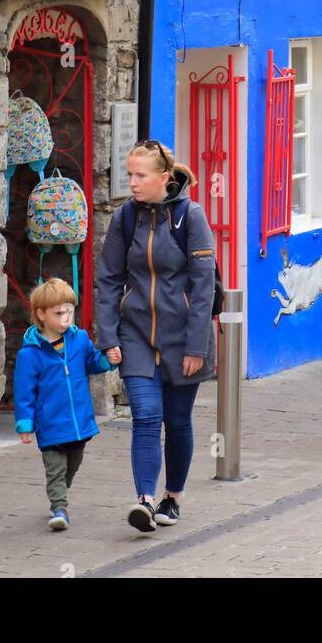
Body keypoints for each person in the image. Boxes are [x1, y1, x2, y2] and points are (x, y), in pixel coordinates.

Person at [97, 140, 216, 533]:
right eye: (129, 174)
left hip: (183, 337)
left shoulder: (191, 218)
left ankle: (173, 497)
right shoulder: (124, 219)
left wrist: (196, 346)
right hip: (135, 335)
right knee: (146, 416)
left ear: (164, 178)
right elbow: (109, 279)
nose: (131, 182)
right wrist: (109, 335)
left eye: (140, 175)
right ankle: (145, 500)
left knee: (178, 420)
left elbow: (203, 289)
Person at [14, 277, 115, 531]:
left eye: (70, 311)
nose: (66, 317)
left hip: (78, 421)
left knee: (73, 463)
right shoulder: (30, 354)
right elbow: (24, 391)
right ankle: (59, 507)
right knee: (55, 468)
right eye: (59, 313)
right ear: (41, 314)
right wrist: (25, 423)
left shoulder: (79, 339)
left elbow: (92, 362)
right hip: (50, 424)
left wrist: (107, 360)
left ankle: (59, 492)